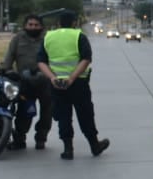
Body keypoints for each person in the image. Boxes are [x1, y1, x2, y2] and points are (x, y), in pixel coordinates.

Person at [37, 9, 109, 161]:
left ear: (57, 23)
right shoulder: (79, 36)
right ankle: (94, 145)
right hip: (78, 84)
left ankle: (68, 149)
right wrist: (72, 78)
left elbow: (41, 61)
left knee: (63, 116)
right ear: (75, 23)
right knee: (86, 115)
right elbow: (86, 59)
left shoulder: (48, 37)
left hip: (57, 85)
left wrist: (52, 78)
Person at [0, 14, 53, 150]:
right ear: (25, 26)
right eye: (30, 25)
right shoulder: (17, 39)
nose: (33, 27)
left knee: (47, 112)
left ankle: (41, 138)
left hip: (45, 82)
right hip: (24, 82)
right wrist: (7, 70)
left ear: (41, 27)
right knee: (24, 112)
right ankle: (19, 139)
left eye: (36, 25)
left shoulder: (48, 40)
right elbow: (9, 57)